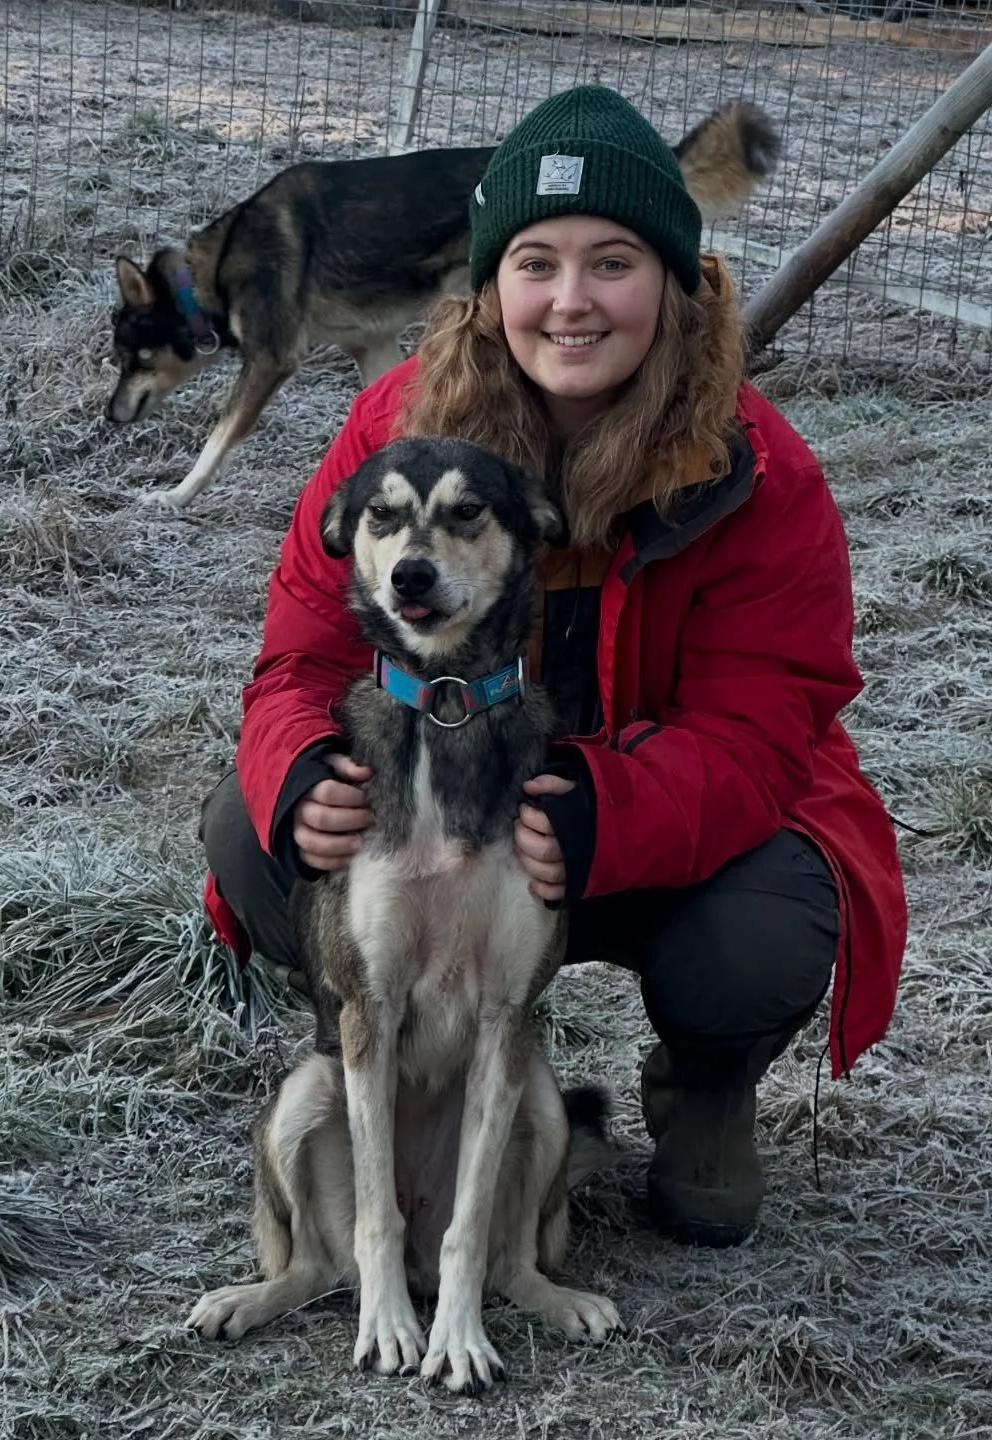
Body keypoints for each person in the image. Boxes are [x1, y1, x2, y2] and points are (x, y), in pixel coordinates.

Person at [199, 86, 907, 1248]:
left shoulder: (761, 472)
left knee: (768, 925)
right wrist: (302, 768)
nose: (572, 302)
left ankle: (708, 1082)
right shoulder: (397, 431)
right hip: (438, 817)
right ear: (488, 287)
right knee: (252, 823)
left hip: (634, 827)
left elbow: (766, 726)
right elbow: (298, 657)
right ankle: (389, 1064)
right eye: (536, 263)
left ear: (675, 283)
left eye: (613, 263)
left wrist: (604, 814)